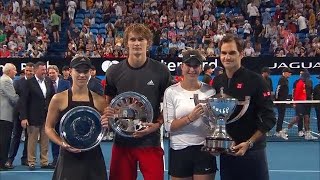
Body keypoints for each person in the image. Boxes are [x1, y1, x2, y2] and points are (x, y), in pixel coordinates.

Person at [102, 23, 172, 180]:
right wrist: (107, 112)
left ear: (148, 42)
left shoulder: (161, 71)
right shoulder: (114, 71)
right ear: (127, 43)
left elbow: (169, 105)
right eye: (133, 39)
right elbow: (108, 102)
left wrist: (157, 124)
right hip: (122, 142)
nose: (137, 43)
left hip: (150, 142)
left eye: (141, 39)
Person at [212, 34, 276, 180]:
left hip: (252, 152)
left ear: (241, 54)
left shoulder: (257, 80)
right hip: (227, 153)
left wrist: (249, 143)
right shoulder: (217, 82)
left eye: (232, 53)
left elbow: (269, 118)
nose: (227, 57)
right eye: (223, 53)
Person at [45, 56, 108, 180]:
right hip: (69, 158)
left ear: (90, 72)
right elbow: (49, 127)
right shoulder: (58, 99)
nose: (82, 75)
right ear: (70, 71)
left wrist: (108, 124)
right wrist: (62, 143)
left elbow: (106, 129)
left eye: (85, 71)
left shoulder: (100, 100)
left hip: (93, 158)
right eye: (78, 71)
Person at [163, 49, 217, 180]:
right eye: (188, 65)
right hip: (179, 150)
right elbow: (168, 127)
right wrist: (189, 118)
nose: (192, 69)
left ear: (201, 68)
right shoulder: (171, 92)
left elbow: (215, 123)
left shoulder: (210, 91)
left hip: (204, 150)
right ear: (182, 67)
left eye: (196, 66)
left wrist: (216, 142)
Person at [20, 61, 55, 170]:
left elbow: (53, 98)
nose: (45, 72)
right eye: (43, 70)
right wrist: (24, 117)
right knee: (32, 140)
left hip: (46, 116)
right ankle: (31, 162)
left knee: (45, 140)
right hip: (32, 117)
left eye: (45, 70)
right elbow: (23, 101)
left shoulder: (48, 81)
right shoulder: (29, 83)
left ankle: (44, 162)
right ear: (36, 70)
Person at [5, 62, 34, 169]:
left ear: (34, 71)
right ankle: (10, 159)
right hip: (18, 115)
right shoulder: (17, 82)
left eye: (30, 71)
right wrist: (23, 116)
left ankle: (25, 159)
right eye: (27, 70)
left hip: (31, 115)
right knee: (16, 137)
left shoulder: (36, 83)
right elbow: (18, 101)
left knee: (29, 138)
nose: (28, 72)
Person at [47, 65, 71, 167]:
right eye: (50, 73)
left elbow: (69, 97)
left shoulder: (66, 83)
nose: (51, 75)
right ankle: (55, 160)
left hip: (64, 115)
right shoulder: (46, 83)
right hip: (52, 116)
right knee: (54, 138)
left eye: (53, 73)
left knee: (66, 137)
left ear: (58, 73)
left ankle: (67, 159)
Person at [0, 63, 19, 171]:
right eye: (15, 70)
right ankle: (2, 163)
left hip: (3, 115)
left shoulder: (3, 79)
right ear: (9, 71)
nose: (16, 72)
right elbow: (14, 98)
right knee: (4, 140)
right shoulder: (6, 81)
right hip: (5, 115)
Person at [291, 70, 317, 140]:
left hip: (308, 102)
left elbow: (311, 92)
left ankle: (307, 133)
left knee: (307, 117)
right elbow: (294, 92)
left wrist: (312, 100)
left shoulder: (310, 82)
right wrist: (294, 102)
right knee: (299, 117)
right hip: (300, 102)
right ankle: (299, 130)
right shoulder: (297, 82)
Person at [274, 67, 292, 140]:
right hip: (280, 102)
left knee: (281, 116)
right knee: (281, 116)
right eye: (289, 72)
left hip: (283, 101)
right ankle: (278, 131)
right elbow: (278, 90)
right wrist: (277, 100)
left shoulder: (285, 80)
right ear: (285, 73)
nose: (290, 74)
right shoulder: (282, 79)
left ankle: (278, 130)